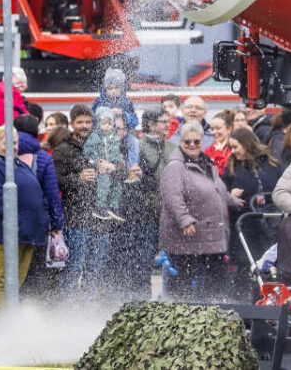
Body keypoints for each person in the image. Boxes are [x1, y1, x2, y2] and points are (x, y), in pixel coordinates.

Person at [159, 121, 242, 301]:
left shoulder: (207, 164)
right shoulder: (176, 166)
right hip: (188, 237)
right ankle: (178, 320)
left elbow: (216, 190)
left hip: (209, 236)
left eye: (196, 141)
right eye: (187, 142)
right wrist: (184, 219)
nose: (192, 145)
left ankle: (212, 317)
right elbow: (172, 196)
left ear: (202, 142)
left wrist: (232, 200)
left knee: (214, 285)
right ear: (180, 143)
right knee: (183, 286)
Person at [0, 125, 57, 313]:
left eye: (15, 143)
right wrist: (18, 223)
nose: (13, 146)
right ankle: (0, 325)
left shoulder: (19, 164)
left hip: (27, 233)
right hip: (4, 234)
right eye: (7, 142)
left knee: (17, 282)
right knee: (3, 281)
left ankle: (11, 320)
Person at [119, 109, 175, 296]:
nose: (168, 125)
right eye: (163, 121)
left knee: (172, 264)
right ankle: (141, 302)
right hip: (145, 215)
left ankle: (170, 302)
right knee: (143, 263)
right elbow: (130, 181)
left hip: (169, 215)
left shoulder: (172, 147)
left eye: (169, 121)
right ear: (151, 125)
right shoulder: (138, 146)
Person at [223, 127, 282, 301]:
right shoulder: (232, 166)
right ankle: (242, 307)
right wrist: (230, 195)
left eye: (236, 147)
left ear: (246, 144)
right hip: (244, 228)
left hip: (269, 228)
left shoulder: (271, 163)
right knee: (245, 269)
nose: (233, 152)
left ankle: (265, 303)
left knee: (268, 269)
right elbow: (221, 190)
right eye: (231, 148)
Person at [52, 105, 106, 291]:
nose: (84, 125)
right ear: (72, 123)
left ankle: (88, 311)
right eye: (80, 122)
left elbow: (118, 173)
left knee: (94, 270)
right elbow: (55, 181)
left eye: (88, 121)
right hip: (75, 219)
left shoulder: (102, 146)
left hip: (100, 219)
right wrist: (78, 179)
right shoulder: (63, 150)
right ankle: (67, 311)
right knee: (74, 268)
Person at [13, 114, 65, 296]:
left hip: (9, 220)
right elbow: (52, 193)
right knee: (36, 268)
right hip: (37, 220)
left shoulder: (5, 152)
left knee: (11, 268)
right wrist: (57, 224)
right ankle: (34, 309)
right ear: (36, 132)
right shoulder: (43, 158)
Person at [84, 107, 126, 222]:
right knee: (104, 183)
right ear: (98, 123)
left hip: (111, 165)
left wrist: (119, 160)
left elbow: (116, 152)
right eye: (103, 123)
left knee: (117, 184)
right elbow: (88, 152)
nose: (106, 126)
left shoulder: (114, 137)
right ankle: (100, 206)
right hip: (100, 166)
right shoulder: (95, 137)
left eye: (109, 124)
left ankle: (113, 206)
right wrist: (96, 162)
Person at [204, 111, 233, 175]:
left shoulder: (235, 149)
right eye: (212, 129)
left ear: (229, 129)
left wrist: (218, 152)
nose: (214, 132)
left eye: (218, 128)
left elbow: (222, 173)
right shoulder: (208, 150)